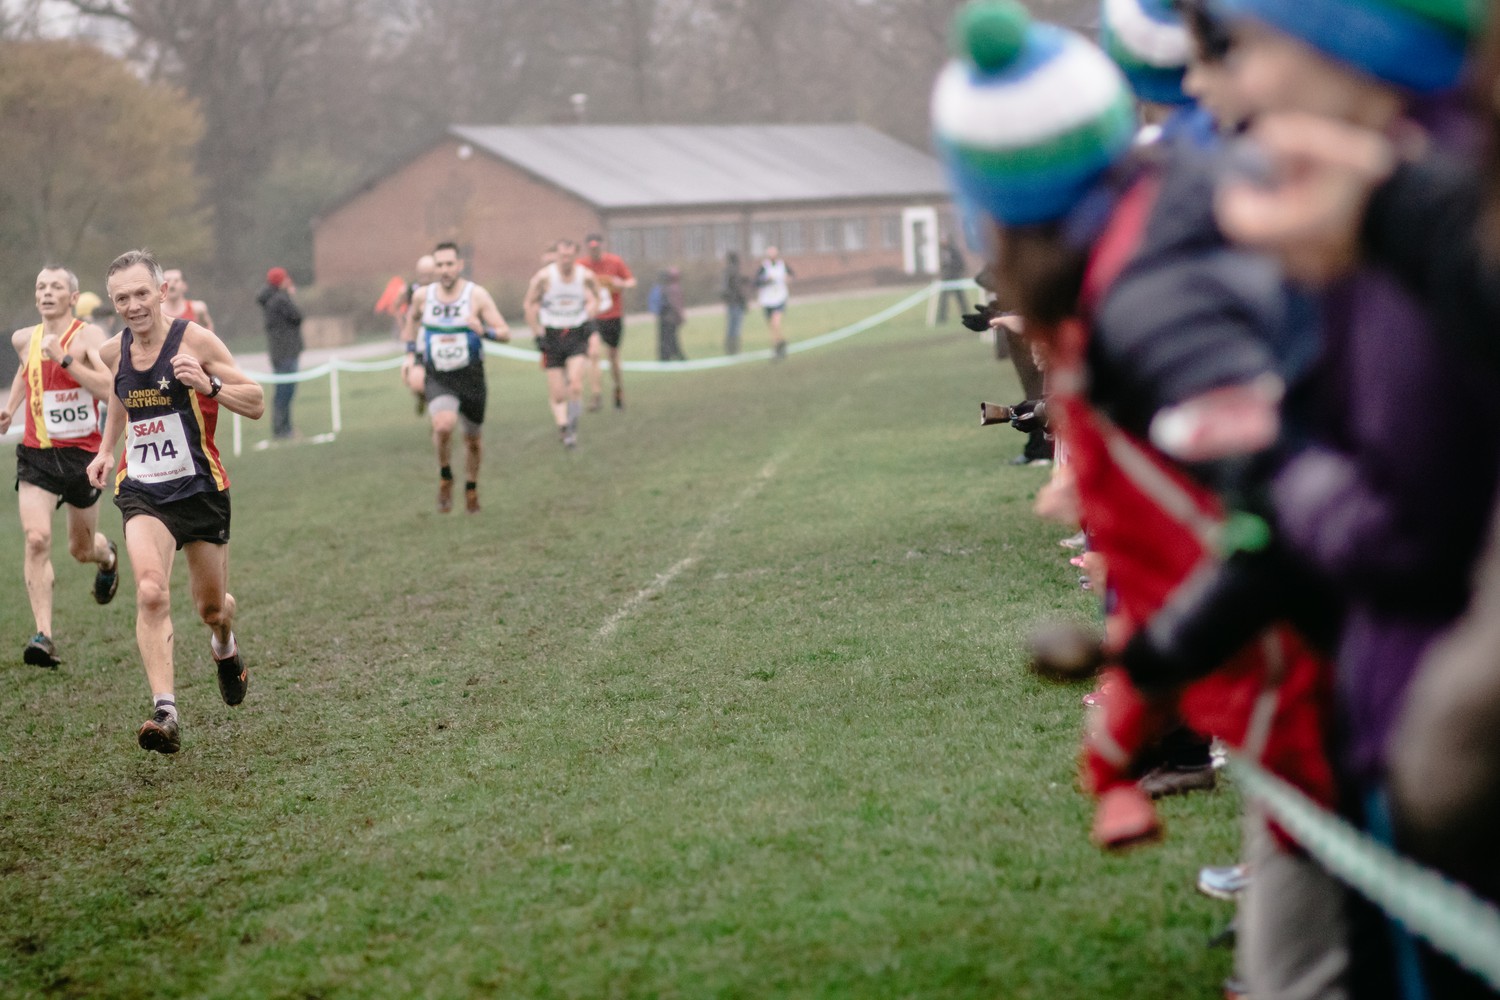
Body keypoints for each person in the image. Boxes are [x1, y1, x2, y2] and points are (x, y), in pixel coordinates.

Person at [932, 5, 1348, 997]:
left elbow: (1283, 502)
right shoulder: (1157, 219)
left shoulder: (1152, 293)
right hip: (1302, 688)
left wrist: (1153, 664)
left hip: (1339, 696)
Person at [82, 248, 264, 754]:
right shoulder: (112, 352)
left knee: (210, 608)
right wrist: (105, 448)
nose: (134, 305)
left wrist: (210, 384)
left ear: (162, 291)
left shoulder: (195, 339)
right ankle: (166, 711)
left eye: (142, 293)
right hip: (142, 489)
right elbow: (120, 396)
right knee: (150, 591)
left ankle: (224, 646)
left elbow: (256, 400)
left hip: (201, 490)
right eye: (123, 298)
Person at [0, 266, 120, 667]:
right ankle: (43, 636)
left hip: (82, 458)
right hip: (36, 455)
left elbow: (109, 391)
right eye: (41, 287)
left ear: (72, 297)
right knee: (36, 540)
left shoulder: (88, 338)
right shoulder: (24, 338)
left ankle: (108, 558)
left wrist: (65, 359)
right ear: (36, 297)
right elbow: (25, 369)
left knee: (81, 550)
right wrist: (10, 408)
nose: (47, 292)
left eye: (56, 287)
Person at [401, 242, 510, 510]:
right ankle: (445, 474)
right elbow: (411, 322)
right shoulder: (423, 297)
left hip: (471, 376)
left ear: (460, 265)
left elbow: (505, 332)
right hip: (439, 376)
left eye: (450, 264)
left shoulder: (477, 296)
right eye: (440, 265)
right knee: (443, 425)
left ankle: (471, 486)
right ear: (434, 267)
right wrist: (411, 356)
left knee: (472, 440)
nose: (445, 270)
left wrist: (484, 331)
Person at [524, 238, 600, 449]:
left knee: (575, 384)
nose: (565, 260)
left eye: (569, 255)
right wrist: (537, 333)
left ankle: (573, 426)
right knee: (558, 393)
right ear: (556, 255)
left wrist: (590, 314)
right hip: (552, 335)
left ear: (576, 255)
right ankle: (563, 426)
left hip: (576, 333)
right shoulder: (544, 277)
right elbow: (529, 304)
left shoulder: (585, 276)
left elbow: (597, 296)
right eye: (561, 255)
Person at [581, 233, 635, 411]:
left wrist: (621, 284)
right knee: (593, 352)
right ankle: (596, 395)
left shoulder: (615, 262)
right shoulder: (581, 266)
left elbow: (631, 281)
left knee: (613, 356)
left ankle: (618, 389)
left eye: (597, 248)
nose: (594, 251)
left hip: (613, 315)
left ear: (602, 247)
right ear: (588, 248)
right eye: (591, 248)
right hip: (593, 316)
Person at [256, 267, 303, 440]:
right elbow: (297, 317)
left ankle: (282, 428)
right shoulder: (280, 299)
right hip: (286, 352)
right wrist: (290, 295)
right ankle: (283, 429)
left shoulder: (270, 299)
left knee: (282, 392)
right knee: (285, 392)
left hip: (279, 352)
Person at [754, 246, 793, 360]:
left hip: (779, 298)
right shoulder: (763, 266)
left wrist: (788, 278)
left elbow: (791, 275)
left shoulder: (782, 265)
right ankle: (779, 346)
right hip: (767, 300)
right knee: (772, 327)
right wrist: (766, 280)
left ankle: (779, 346)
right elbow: (756, 281)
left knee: (776, 323)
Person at [649, 268, 686, 362]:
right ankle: (677, 357)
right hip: (670, 318)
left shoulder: (660, 288)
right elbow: (675, 304)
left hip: (663, 317)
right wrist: (680, 316)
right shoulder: (672, 288)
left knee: (664, 338)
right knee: (671, 338)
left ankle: (666, 357)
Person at [161, 267, 214, 331]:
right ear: (162, 287)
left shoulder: (197, 308)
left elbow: (208, 326)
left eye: (176, 281)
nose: (172, 284)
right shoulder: (156, 311)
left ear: (184, 285)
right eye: (168, 280)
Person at [935, 236, 971, 322]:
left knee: (960, 299)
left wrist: (953, 270)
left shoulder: (954, 250)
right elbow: (943, 265)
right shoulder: (943, 251)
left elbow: (961, 264)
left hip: (955, 279)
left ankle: (967, 315)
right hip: (946, 280)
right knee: (943, 300)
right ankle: (942, 318)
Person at [722, 251, 749, 355]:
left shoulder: (727, 272)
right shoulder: (734, 272)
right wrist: (744, 302)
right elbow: (738, 290)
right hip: (736, 303)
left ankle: (730, 350)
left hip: (731, 303)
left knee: (731, 327)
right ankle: (734, 350)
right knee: (735, 328)